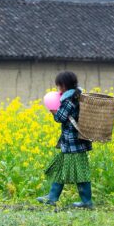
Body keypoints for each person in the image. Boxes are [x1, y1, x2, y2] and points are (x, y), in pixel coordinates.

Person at [37, 70, 93, 208]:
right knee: (62, 169)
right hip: (73, 143)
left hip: (73, 143)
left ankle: (87, 202)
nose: (58, 89)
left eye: (59, 85)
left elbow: (61, 118)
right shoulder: (78, 96)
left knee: (80, 172)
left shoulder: (68, 100)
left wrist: (53, 111)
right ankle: (52, 197)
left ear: (65, 85)